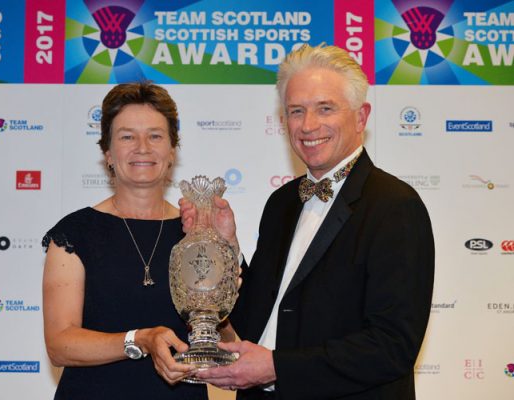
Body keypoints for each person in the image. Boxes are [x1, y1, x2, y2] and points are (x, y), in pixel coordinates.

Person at [181, 44, 435, 399]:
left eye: (325, 108)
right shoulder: (281, 202)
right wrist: (227, 248)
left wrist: (276, 367)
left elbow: (392, 346)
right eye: (296, 111)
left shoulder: (395, 206)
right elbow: (257, 321)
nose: (308, 125)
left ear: (361, 117)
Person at [41, 82, 206, 399]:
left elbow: (230, 333)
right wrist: (140, 339)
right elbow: (60, 344)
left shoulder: (198, 232)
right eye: (127, 136)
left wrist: (227, 245)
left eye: (155, 136)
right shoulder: (74, 233)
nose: (142, 147)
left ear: (172, 151)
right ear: (108, 153)